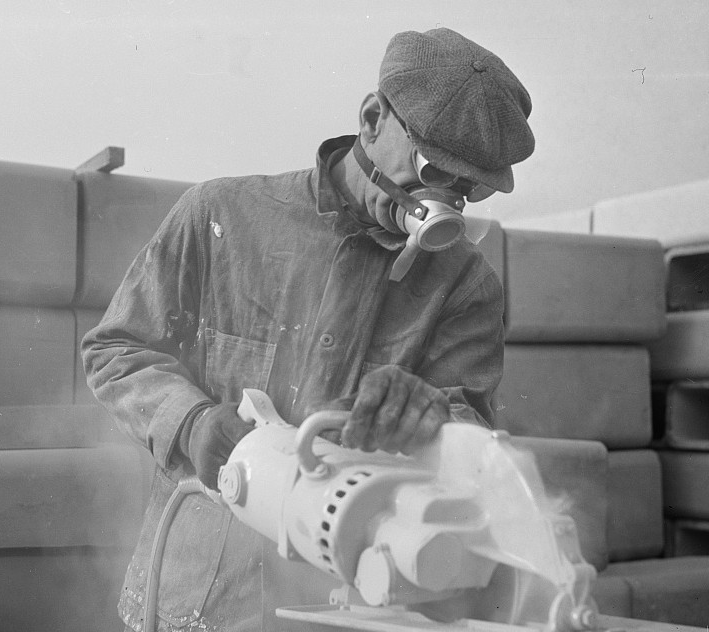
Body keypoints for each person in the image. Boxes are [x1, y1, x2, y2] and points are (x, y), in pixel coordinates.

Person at [82, 27, 534, 632]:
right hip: (191, 600)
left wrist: (432, 425)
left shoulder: (466, 287)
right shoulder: (221, 217)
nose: (444, 202)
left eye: (470, 186)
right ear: (373, 119)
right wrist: (190, 424)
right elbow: (116, 349)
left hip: (347, 610)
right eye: (430, 169)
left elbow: (469, 444)